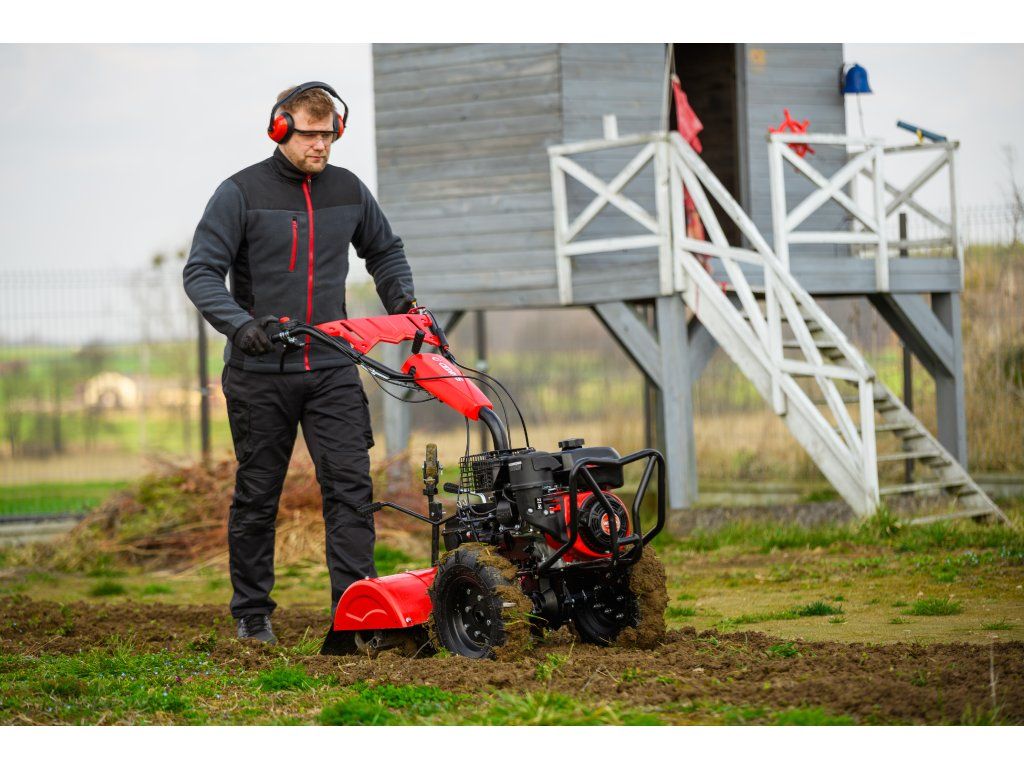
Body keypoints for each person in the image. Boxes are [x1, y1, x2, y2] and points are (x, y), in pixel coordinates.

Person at [183, 82, 416, 644]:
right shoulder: (239, 193)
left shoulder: (348, 190)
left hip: (332, 368)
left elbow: (384, 250)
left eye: (329, 134)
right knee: (258, 495)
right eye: (310, 135)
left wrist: (404, 305)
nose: (321, 145)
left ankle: (357, 613)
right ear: (280, 129)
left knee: (351, 490)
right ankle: (252, 613)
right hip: (259, 375)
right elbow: (201, 273)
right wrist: (240, 325)